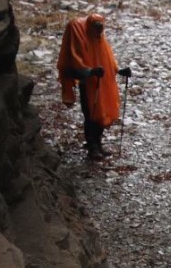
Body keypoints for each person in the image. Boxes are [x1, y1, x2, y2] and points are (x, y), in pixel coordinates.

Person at [56, 14, 132, 161]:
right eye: (97, 28)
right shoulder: (80, 38)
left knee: (102, 111)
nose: (99, 32)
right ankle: (92, 147)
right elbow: (75, 66)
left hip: (102, 83)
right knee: (90, 115)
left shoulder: (101, 41)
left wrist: (120, 70)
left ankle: (98, 144)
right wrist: (90, 71)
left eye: (101, 28)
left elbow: (108, 62)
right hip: (88, 85)